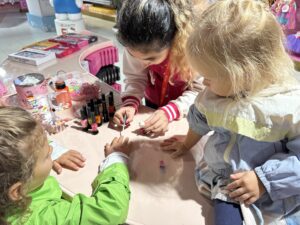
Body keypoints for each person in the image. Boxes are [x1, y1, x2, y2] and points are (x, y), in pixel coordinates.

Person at [161, 0, 300, 224]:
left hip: (275, 187)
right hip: (229, 184)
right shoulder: (216, 94)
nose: (203, 82)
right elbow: (200, 119)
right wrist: (187, 144)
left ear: (245, 74)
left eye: (210, 77)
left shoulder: (288, 107)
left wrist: (264, 180)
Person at [1, 106, 131, 225]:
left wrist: (48, 152)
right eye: (47, 155)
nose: (51, 149)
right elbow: (109, 211)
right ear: (17, 191)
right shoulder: (45, 218)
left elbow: (20, 142)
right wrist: (116, 160)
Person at [113, 0, 204, 135]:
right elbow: (135, 77)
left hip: (186, 108)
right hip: (153, 100)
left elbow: (200, 91)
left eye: (150, 59)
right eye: (133, 56)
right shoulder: (135, 43)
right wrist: (131, 102)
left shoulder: (195, 50)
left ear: (174, 40)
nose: (141, 64)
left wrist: (172, 110)